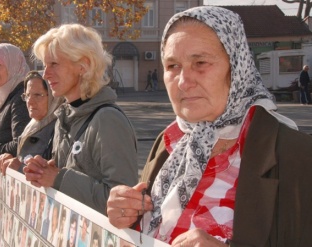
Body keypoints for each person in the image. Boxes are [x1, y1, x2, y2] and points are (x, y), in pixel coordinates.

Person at [106, 6, 312, 246]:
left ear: (237, 68)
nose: (183, 82)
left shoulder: (295, 154)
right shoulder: (169, 141)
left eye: (200, 62)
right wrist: (128, 215)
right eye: (172, 66)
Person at [24, 23, 138, 215]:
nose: (45, 74)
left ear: (83, 66)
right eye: (44, 65)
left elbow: (124, 207)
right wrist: (44, 171)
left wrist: (58, 178)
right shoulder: (64, 117)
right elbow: (66, 176)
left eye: (54, 64)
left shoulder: (108, 120)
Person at [0, 70, 63, 174]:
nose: (30, 101)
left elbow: (54, 175)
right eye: (27, 95)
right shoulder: (31, 126)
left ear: (52, 96)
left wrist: (20, 167)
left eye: (37, 95)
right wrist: (10, 159)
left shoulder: (60, 129)